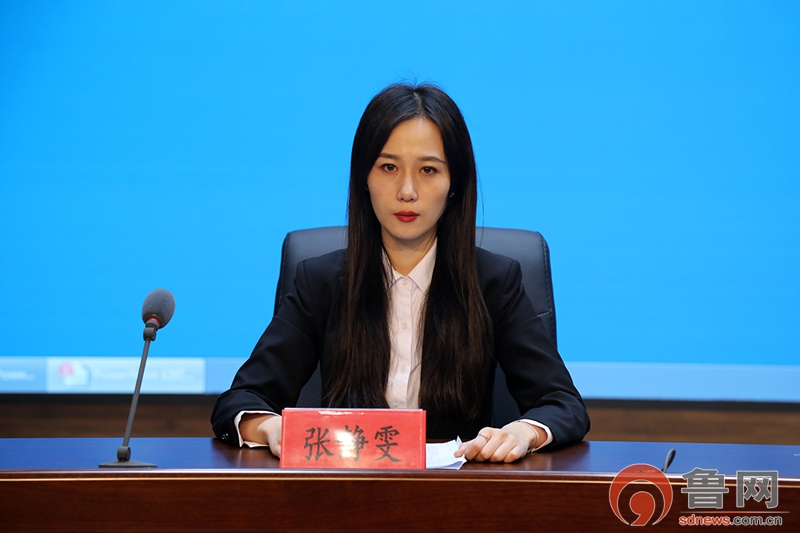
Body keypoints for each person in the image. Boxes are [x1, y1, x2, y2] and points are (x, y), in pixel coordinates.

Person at [211, 82, 590, 462]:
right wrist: (270, 427)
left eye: (428, 170)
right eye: (388, 167)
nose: (407, 191)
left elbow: (562, 404)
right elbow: (240, 401)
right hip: (348, 487)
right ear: (364, 177)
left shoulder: (492, 282)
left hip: (456, 491)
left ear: (454, 184)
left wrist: (523, 432)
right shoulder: (321, 282)